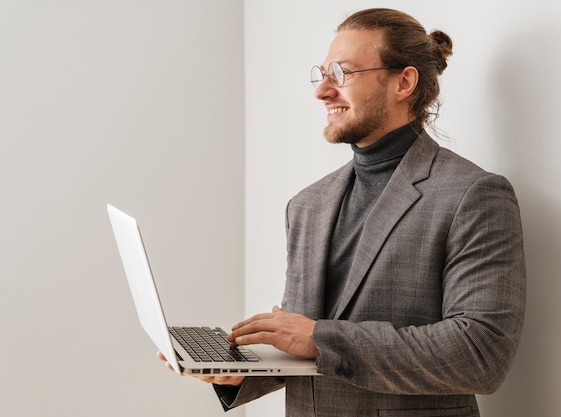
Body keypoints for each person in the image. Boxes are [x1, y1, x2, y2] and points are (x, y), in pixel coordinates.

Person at [159, 7, 526, 417]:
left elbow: (480, 354)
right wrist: (242, 374)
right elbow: (308, 348)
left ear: (404, 81)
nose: (322, 91)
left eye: (342, 73)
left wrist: (320, 338)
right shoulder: (307, 205)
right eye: (322, 74)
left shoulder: (473, 195)